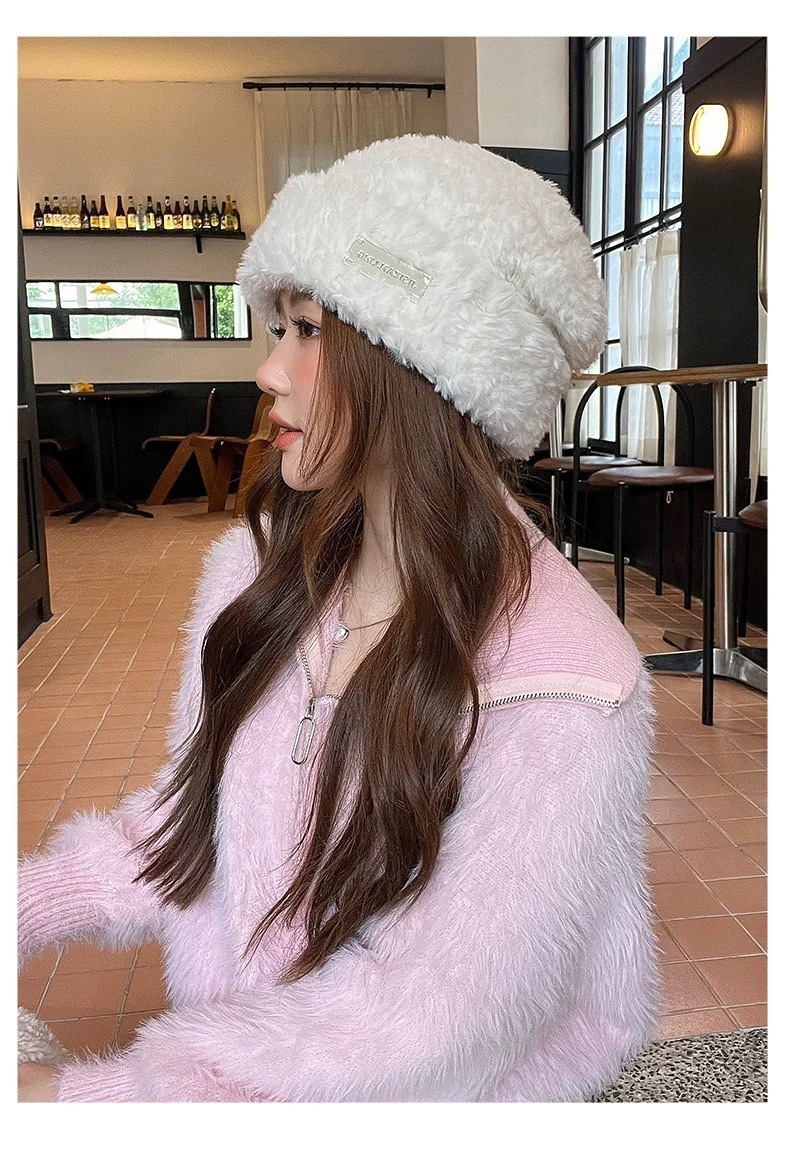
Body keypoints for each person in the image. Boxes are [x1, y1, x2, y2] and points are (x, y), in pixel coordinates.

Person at [18, 135, 659, 1103]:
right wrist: (25, 906)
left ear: (419, 365)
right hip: (248, 1074)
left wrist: (79, 1104)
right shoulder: (259, 576)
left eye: (309, 330)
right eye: (279, 325)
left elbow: (424, 1030)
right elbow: (192, 829)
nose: (269, 370)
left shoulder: (567, 683)